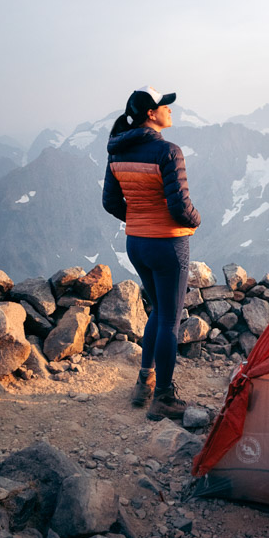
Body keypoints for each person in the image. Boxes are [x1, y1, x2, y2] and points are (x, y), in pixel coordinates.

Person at [102, 86, 201, 420]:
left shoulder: (117, 152)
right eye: (164, 106)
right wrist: (196, 220)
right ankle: (163, 397)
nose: (170, 110)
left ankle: (144, 382)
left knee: (157, 312)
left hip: (136, 243)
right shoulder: (168, 152)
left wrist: (139, 218)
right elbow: (180, 207)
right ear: (150, 114)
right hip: (168, 245)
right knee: (170, 321)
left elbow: (111, 203)